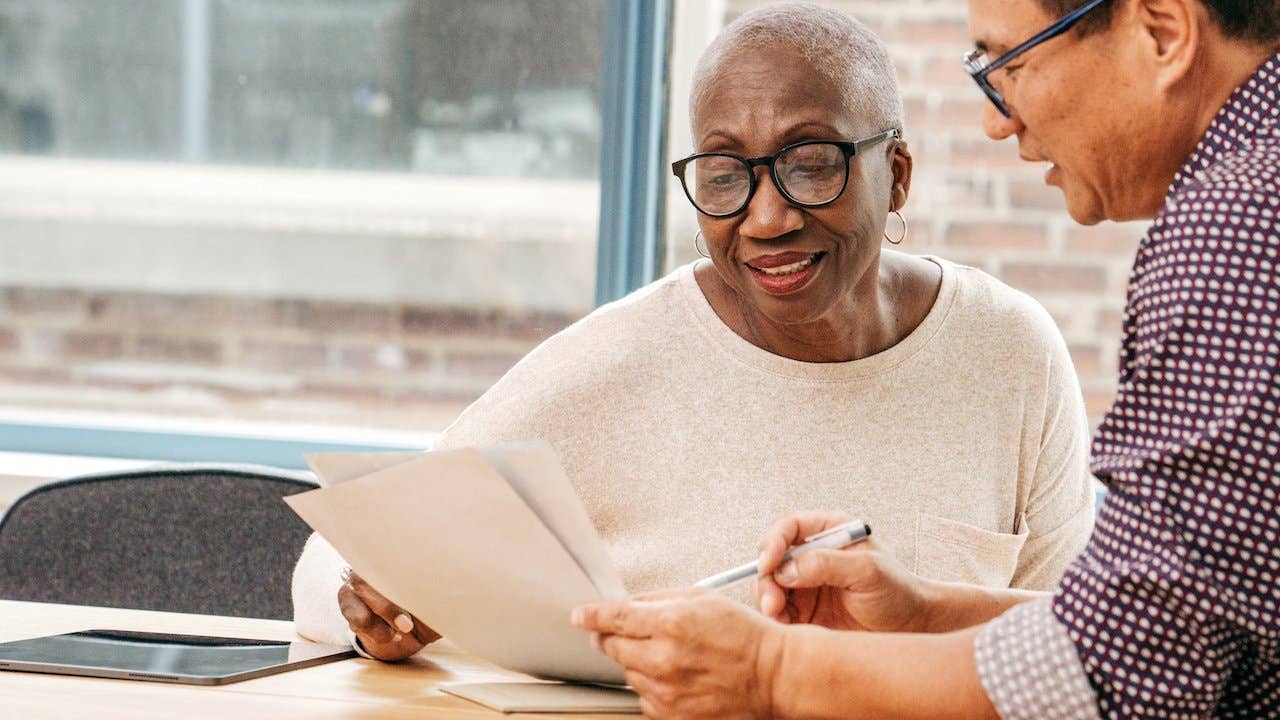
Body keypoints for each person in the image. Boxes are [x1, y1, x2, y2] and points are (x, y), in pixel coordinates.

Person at [292, 2, 1096, 664]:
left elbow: (1080, 656)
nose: (768, 217)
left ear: (898, 177)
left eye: (811, 162)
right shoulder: (615, 363)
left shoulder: (1010, 355)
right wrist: (378, 609)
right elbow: (337, 558)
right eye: (723, 173)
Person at [573, 0, 1280, 717]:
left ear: (1163, 32)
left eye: (1013, 63)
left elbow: (1128, 671)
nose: (998, 119)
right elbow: (1184, 621)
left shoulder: (1233, 232)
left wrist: (769, 668)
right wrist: (921, 615)